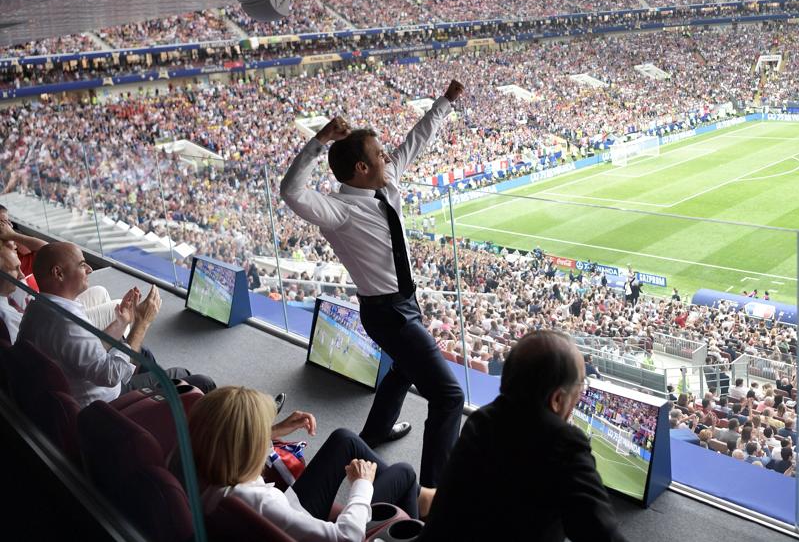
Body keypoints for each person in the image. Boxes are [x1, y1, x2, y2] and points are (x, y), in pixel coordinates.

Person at [281, 80, 466, 487]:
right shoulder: (338, 211)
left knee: (404, 368)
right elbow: (291, 191)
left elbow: (416, 141)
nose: (389, 157)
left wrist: (445, 103)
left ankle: (376, 431)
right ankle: (434, 495)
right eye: (381, 155)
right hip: (386, 312)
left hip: (404, 303)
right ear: (361, 169)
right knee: (450, 396)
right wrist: (318, 142)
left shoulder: (385, 183)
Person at [419, 331, 629, 542]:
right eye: (579, 387)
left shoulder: (480, 421)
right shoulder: (564, 444)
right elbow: (602, 534)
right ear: (557, 399)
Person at [190, 386, 435, 542]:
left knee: (344, 439)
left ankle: (421, 497)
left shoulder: (200, 466)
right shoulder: (262, 503)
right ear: (244, 449)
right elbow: (346, 538)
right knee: (403, 473)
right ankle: (419, 515)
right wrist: (362, 485)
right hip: (303, 520)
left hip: (291, 509)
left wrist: (275, 430)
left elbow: (229, 441)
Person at [17, 242, 215, 407]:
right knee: (197, 381)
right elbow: (110, 375)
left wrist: (122, 322)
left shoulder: (37, 309)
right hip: (106, 404)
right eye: (82, 265)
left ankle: (162, 396)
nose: (90, 269)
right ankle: (161, 401)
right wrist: (141, 324)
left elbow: (85, 349)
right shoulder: (67, 324)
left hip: (78, 390)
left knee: (143, 354)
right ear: (58, 274)